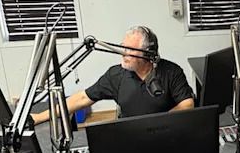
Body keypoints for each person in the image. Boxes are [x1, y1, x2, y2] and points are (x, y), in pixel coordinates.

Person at [31, 26, 194, 124]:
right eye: (123, 47)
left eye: (130, 49)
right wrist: (40, 117)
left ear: (148, 54)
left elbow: (187, 104)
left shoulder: (171, 71)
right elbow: (82, 98)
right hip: (130, 136)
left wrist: (159, 125)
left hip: (166, 135)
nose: (123, 53)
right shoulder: (115, 75)